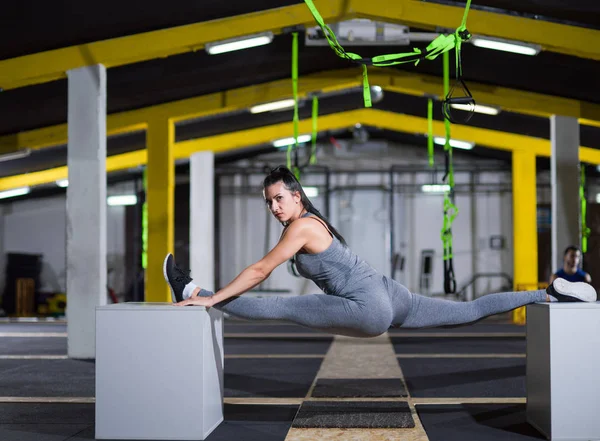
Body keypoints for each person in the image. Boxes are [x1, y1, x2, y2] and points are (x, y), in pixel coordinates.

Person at [163, 166, 597, 338]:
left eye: (279, 198)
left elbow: (260, 271)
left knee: (281, 305)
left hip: (370, 307)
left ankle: (193, 291)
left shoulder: (302, 227)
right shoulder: (315, 222)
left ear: (297, 196)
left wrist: (214, 299)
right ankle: (550, 292)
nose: (275, 206)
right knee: (467, 309)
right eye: (269, 201)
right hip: (391, 293)